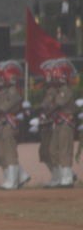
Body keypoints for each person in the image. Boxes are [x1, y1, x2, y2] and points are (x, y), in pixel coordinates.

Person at [0, 60, 29, 190]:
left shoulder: (14, 92)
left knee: (9, 153)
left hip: (8, 125)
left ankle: (12, 181)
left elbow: (3, 109)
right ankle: (19, 177)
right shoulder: (3, 92)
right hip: (1, 125)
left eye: (2, 77)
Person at [38, 58, 78, 187]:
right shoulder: (56, 90)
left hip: (66, 123)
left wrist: (47, 113)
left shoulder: (65, 89)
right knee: (53, 150)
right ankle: (62, 177)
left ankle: (67, 179)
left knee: (64, 150)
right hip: (58, 123)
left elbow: (58, 104)